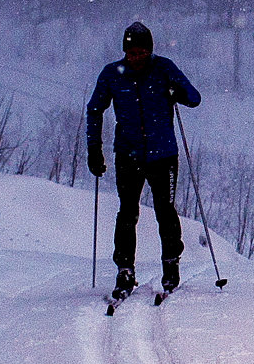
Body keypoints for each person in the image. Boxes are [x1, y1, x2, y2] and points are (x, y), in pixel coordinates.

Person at [86, 21, 202, 297]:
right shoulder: (112, 74)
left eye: (141, 52)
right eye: (131, 53)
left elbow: (194, 98)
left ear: (150, 50)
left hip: (163, 155)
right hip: (128, 154)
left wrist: (178, 93)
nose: (136, 57)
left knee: (166, 212)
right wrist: (94, 149)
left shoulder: (164, 68)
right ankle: (125, 270)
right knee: (127, 213)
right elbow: (94, 110)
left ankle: (171, 265)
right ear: (125, 52)